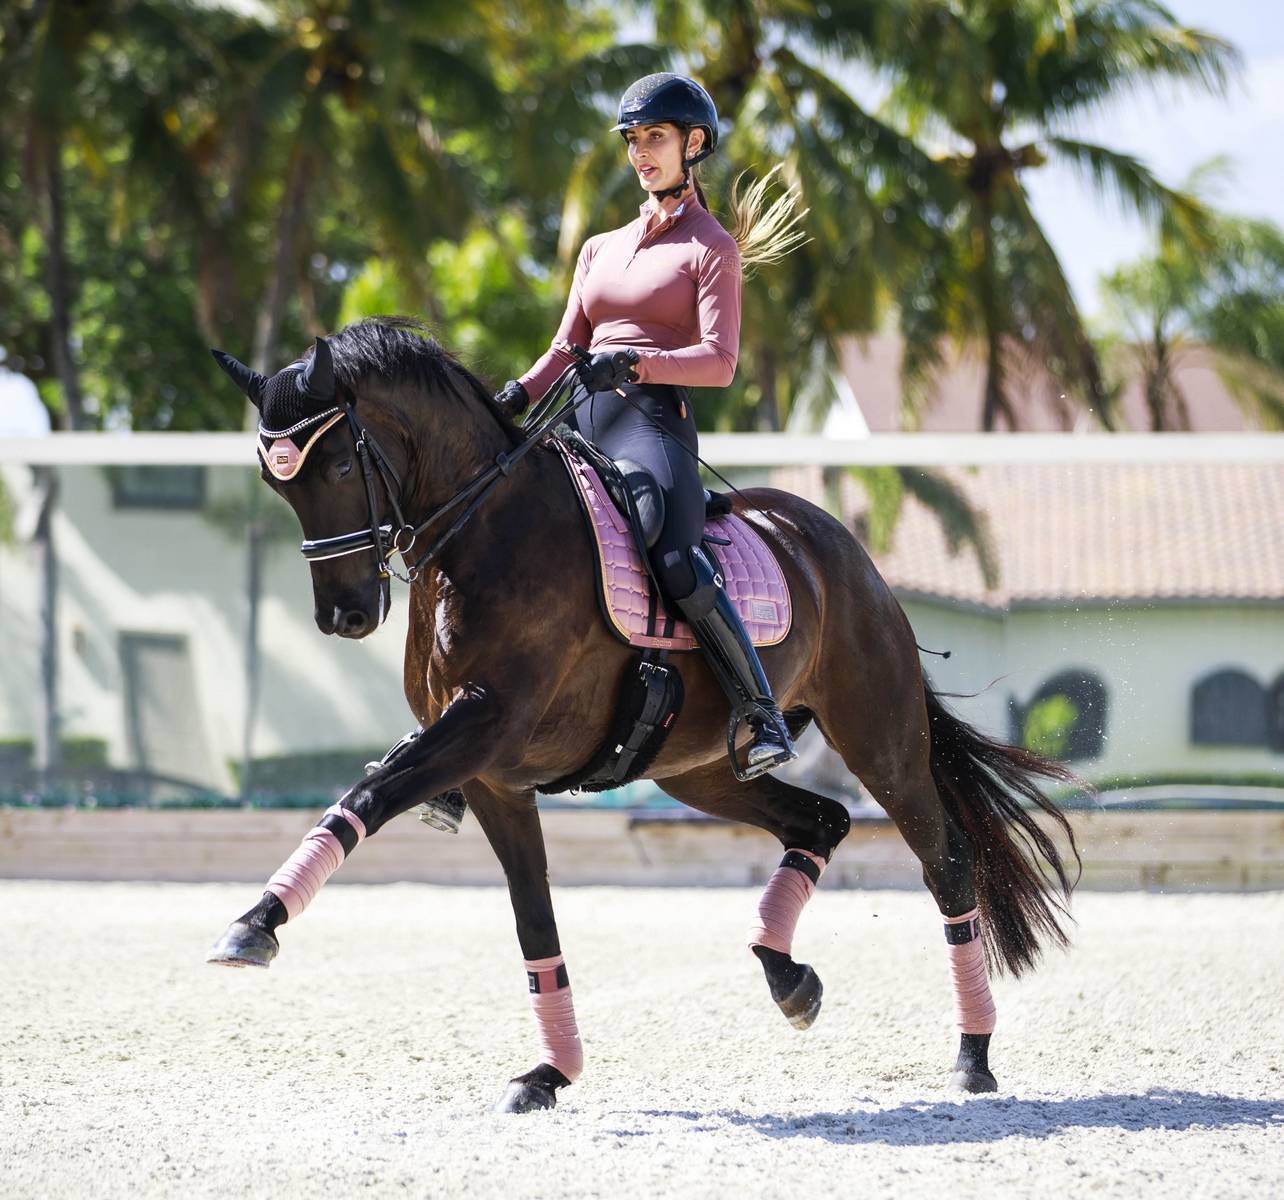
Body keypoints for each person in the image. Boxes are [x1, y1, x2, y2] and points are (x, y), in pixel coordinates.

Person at [405, 72, 807, 832]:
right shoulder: (599, 248)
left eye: (653, 138)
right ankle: (452, 747)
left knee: (673, 552)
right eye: (632, 141)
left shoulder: (710, 248)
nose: (640, 155)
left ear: (693, 146)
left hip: (650, 423)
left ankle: (758, 711)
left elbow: (719, 361)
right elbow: (564, 347)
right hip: (577, 414)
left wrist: (637, 365)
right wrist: (510, 402)